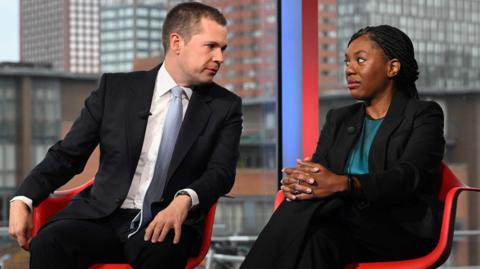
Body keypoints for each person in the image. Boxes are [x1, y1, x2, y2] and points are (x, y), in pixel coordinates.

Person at [8, 2, 242, 269]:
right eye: (211, 46)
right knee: (50, 242)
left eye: (223, 49)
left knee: (163, 250)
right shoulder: (115, 90)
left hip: (167, 219)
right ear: (177, 42)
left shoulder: (226, 106)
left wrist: (184, 200)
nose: (220, 58)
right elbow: (67, 155)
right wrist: (23, 198)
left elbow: (221, 172)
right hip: (101, 216)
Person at [241, 25, 445, 269]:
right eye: (347, 61)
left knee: (310, 207)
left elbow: (410, 176)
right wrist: (301, 182)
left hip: (398, 228)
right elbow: (318, 172)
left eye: (360, 60)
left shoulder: (423, 114)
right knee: (316, 242)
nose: (349, 69)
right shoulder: (339, 118)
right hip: (342, 226)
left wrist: (345, 184)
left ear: (392, 67)